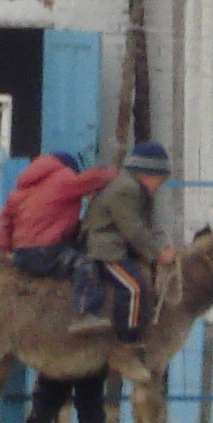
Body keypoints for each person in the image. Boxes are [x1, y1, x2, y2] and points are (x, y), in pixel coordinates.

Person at [75, 140, 176, 341]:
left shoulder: (130, 186)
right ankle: (127, 339)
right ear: (147, 173)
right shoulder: (126, 189)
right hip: (104, 249)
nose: (159, 187)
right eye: (160, 180)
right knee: (134, 286)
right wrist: (159, 252)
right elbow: (133, 228)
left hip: (113, 245)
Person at [0, 149, 115, 272]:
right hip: (46, 251)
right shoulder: (63, 178)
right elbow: (94, 179)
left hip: (22, 254)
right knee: (86, 266)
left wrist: (3, 248)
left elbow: (5, 219)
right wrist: (117, 173)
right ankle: (87, 292)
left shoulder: (23, 188)